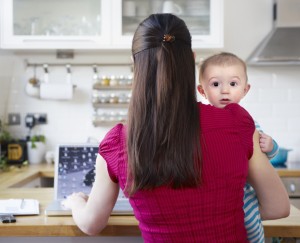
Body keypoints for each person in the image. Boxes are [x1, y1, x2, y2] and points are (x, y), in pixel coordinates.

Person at [63, 14, 290, 242]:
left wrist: (76, 202)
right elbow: (278, 206)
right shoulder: (236, 122)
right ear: (191, 59)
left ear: (136, 65)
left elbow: (91, 224)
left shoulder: (117, 142)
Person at [197, 52, 280, 242]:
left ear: (245, 89)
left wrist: (270, 145)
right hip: (212, 194)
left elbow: (268, 155)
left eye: (233, 84)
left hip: (244, 193)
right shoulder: (200, 123)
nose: (225, 91)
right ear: (202, 91)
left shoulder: (248, 122)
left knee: (251, 225)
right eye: (216, 84)